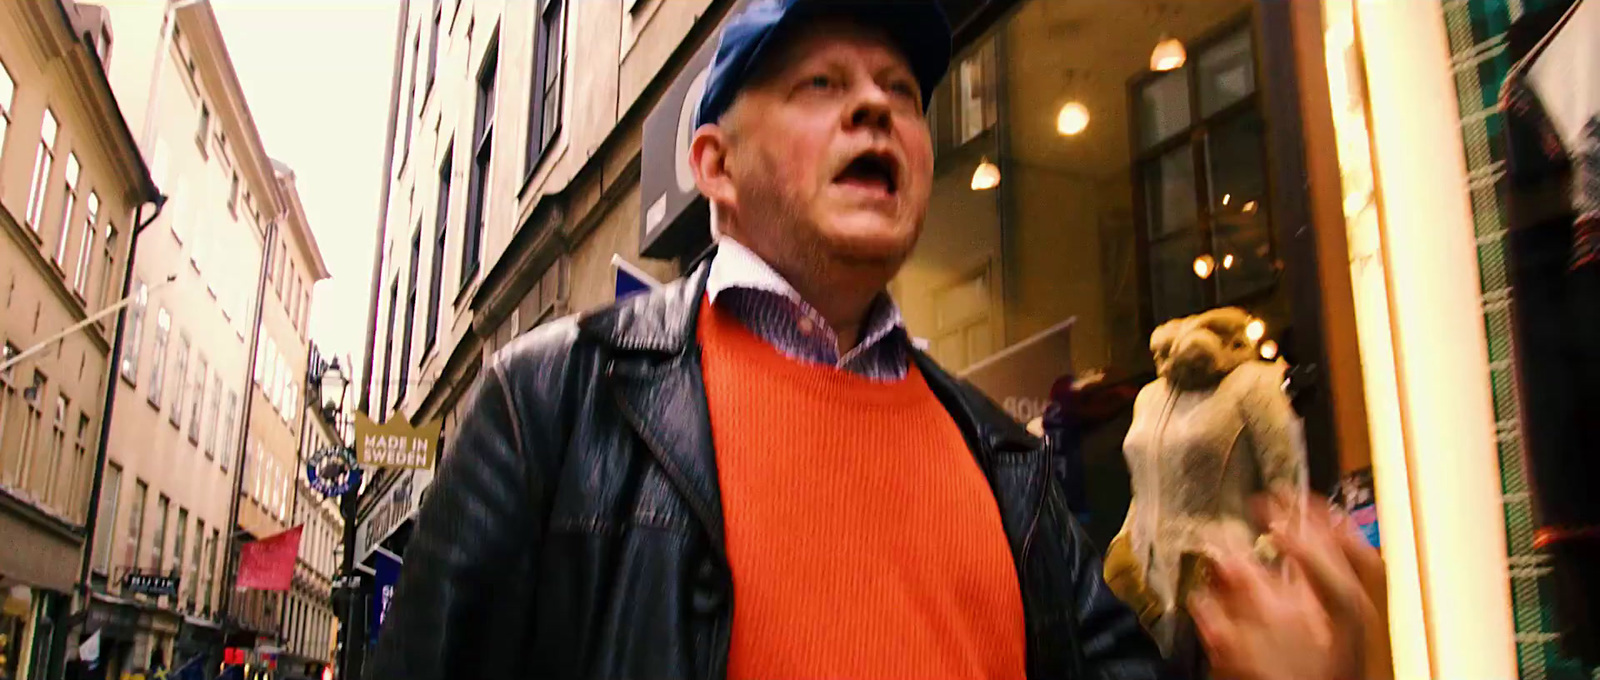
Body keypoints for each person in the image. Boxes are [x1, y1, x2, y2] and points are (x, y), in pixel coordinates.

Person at [366, 1, 1388, 678]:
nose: (874, 105)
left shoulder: (1011, 465)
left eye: (900, 91)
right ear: (714, 164)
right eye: (820, 85)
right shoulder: (549, 403)